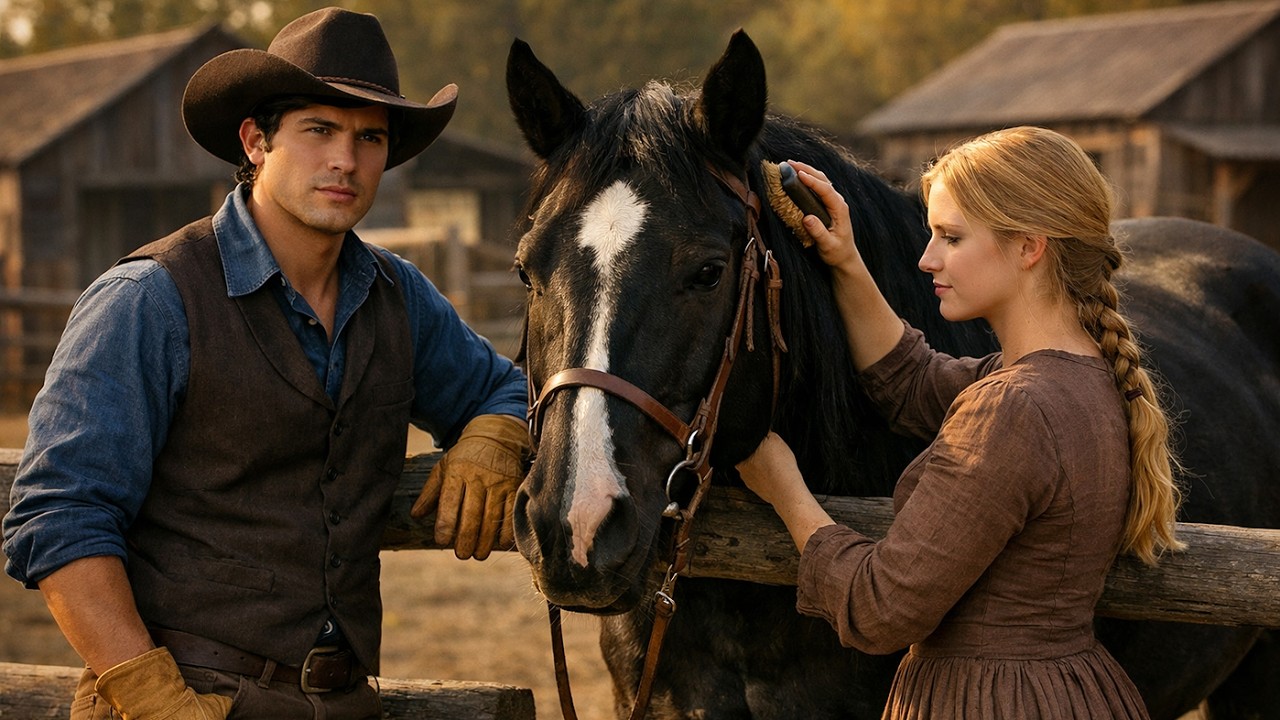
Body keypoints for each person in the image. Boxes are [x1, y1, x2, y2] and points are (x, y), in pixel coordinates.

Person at [1, 8, 528, 719]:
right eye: (319, 130)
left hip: (342, 700)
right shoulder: (150, 298)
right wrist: (151, 696)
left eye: (369, 137)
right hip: (186, 694)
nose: (346, 159)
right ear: (256, 141)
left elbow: (508, 388)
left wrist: (495, 434)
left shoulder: (399, 299)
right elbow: (61, 516)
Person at [736, 127, 1183, 719]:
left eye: (951, 237)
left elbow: (881, 608)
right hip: (1073, 693)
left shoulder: (1014, 407)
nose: (927, 259)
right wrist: (845, 259)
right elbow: (911, 379)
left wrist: (785, 490)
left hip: (987, 701)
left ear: (1029, 246)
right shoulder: (1086, 377)